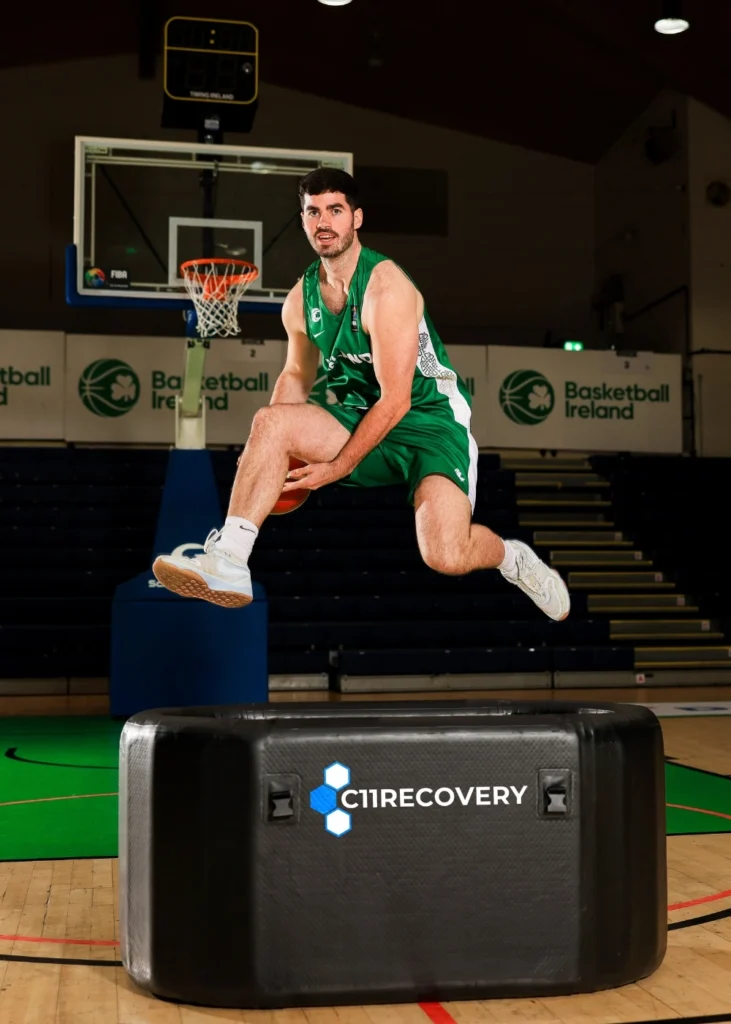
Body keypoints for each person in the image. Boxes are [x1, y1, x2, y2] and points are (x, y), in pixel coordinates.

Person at [153, 168, 570, 622]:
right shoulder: (299, 300)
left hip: (430, 423)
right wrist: (269, 450)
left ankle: (514, 559)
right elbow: (296, 374)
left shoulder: (386, 290)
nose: (324, 221)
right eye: (313, 212)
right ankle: (230, 560)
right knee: (269, 422)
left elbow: (397, 401)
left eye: (335, 210)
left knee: (446, 555)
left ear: (357, 218)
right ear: (303, 220)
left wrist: (336, 468)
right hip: (358, 416)